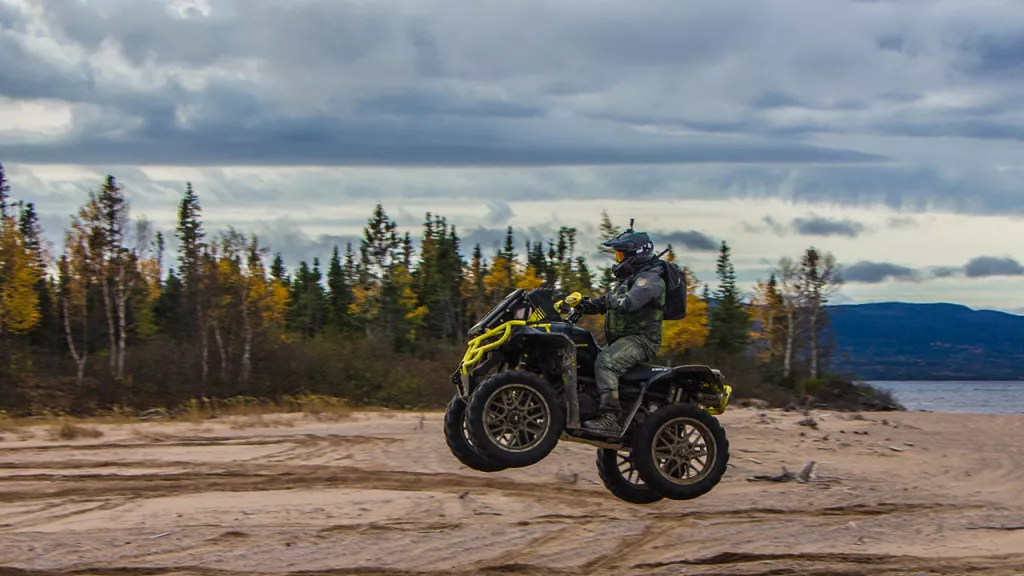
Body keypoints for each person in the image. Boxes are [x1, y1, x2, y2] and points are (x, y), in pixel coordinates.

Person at [570, 229, 666, 435]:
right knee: (585, 357)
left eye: (621, 254)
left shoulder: (650, 280)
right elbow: (611, 301)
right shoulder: (628, 279)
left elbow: (630, 302)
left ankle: (609, 418)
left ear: (636, 254)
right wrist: (588, 305)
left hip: (642, 340)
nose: (618, 259)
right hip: (622, 339)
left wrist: (605, 301)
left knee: (606, 362)